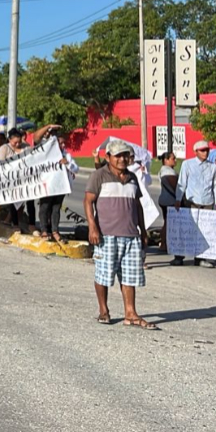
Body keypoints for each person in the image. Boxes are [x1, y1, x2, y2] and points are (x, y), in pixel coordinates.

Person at [85, 140, 156, 329]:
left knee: (130, 276)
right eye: (118, 156)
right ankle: (104, 311)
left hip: (131, 235)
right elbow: (88, 201)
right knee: (103, 274)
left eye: (125, 155)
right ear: (108, 157)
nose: (122, 159)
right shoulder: (99, 176)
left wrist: (143, 230)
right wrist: (92, 227)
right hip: (106, 235)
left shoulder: (132, 177)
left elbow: (138, 205)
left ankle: (130, 314)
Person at [0, 125, 61, 232]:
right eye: (15, 142)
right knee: (14, 202)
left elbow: (33, 159)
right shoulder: (4, 149)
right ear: (9, 139)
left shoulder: (26, 147)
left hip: (27, 179)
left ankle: (31, 224)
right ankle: (15, 223)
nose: (17, 144)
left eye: (19, 142)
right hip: (12, 180)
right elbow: (0, 165)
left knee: (30, 201)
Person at [173, 140, 216, 268]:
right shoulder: (187, 164)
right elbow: (182, 183)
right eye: (202, 150)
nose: (205, 152)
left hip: (207, 202)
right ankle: (179, 257)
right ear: (196, 151)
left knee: (205, 231)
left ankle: (201, 258)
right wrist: (178, 199)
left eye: (207, 150)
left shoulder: (212, 167)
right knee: (186, 230)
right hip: (192, 202)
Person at [35, 133, 78, 242]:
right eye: (60, 143)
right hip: (47, 186)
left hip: (60, 187)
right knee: (45, 207)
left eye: (64, 143)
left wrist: (67, 163)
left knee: (56, 208)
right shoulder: (46, 154)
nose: (63, 145)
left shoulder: (66, 155)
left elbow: (76, 168)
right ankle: (44, 230)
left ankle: (55, 231)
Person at [157, 151, 178, 256]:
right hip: (169, 200)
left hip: (164, 199)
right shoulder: (168, 172)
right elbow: (173, 186)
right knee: (168, 223)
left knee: (166, 222)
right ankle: (164, 243)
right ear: (166, 160)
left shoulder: (164, 170)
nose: (175, 160)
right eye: (173, 158)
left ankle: (164, 243)